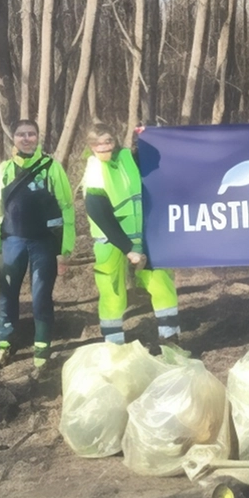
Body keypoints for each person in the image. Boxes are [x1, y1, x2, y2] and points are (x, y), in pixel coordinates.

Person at [81, 123, 181, 345]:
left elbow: (154, 160)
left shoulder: (127, 158)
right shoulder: (94, 169)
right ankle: (114, 346)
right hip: (111, 241)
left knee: (161, 281)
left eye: (108, 141)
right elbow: (100, 214)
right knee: (112, 292)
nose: (104, 147)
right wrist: (128, 249)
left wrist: (149, 138)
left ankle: (170, 338)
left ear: (115, 141)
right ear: (90, 147)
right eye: (98, 144)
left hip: (144, 235)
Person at [0, 120, 74, 370]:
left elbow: (67, 208)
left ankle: (42, 346)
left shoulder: (51, 167)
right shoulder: (4, 169)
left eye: (31, 134)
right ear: (13, 139)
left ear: (38, 137)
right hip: (12, 241)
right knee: (8, 295)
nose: (26, 139)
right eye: (21, 135)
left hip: (44, 244)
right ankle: (4, 343)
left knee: (40, 297)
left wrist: (64, 249)